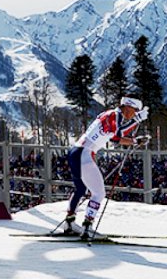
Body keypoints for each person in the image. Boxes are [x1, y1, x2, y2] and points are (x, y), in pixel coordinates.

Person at [64, 96, 149, 239]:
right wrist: (135, 132)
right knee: (98, 193)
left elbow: (118, 133)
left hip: (76, 152)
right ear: (128, 107)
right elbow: (116, 138)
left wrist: (136, 127)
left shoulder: (111, 115)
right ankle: (87, 226)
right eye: (134, 111)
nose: (134, 114)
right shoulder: (114, 115)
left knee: (80, 190)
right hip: (84, 154)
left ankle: (70, 223)